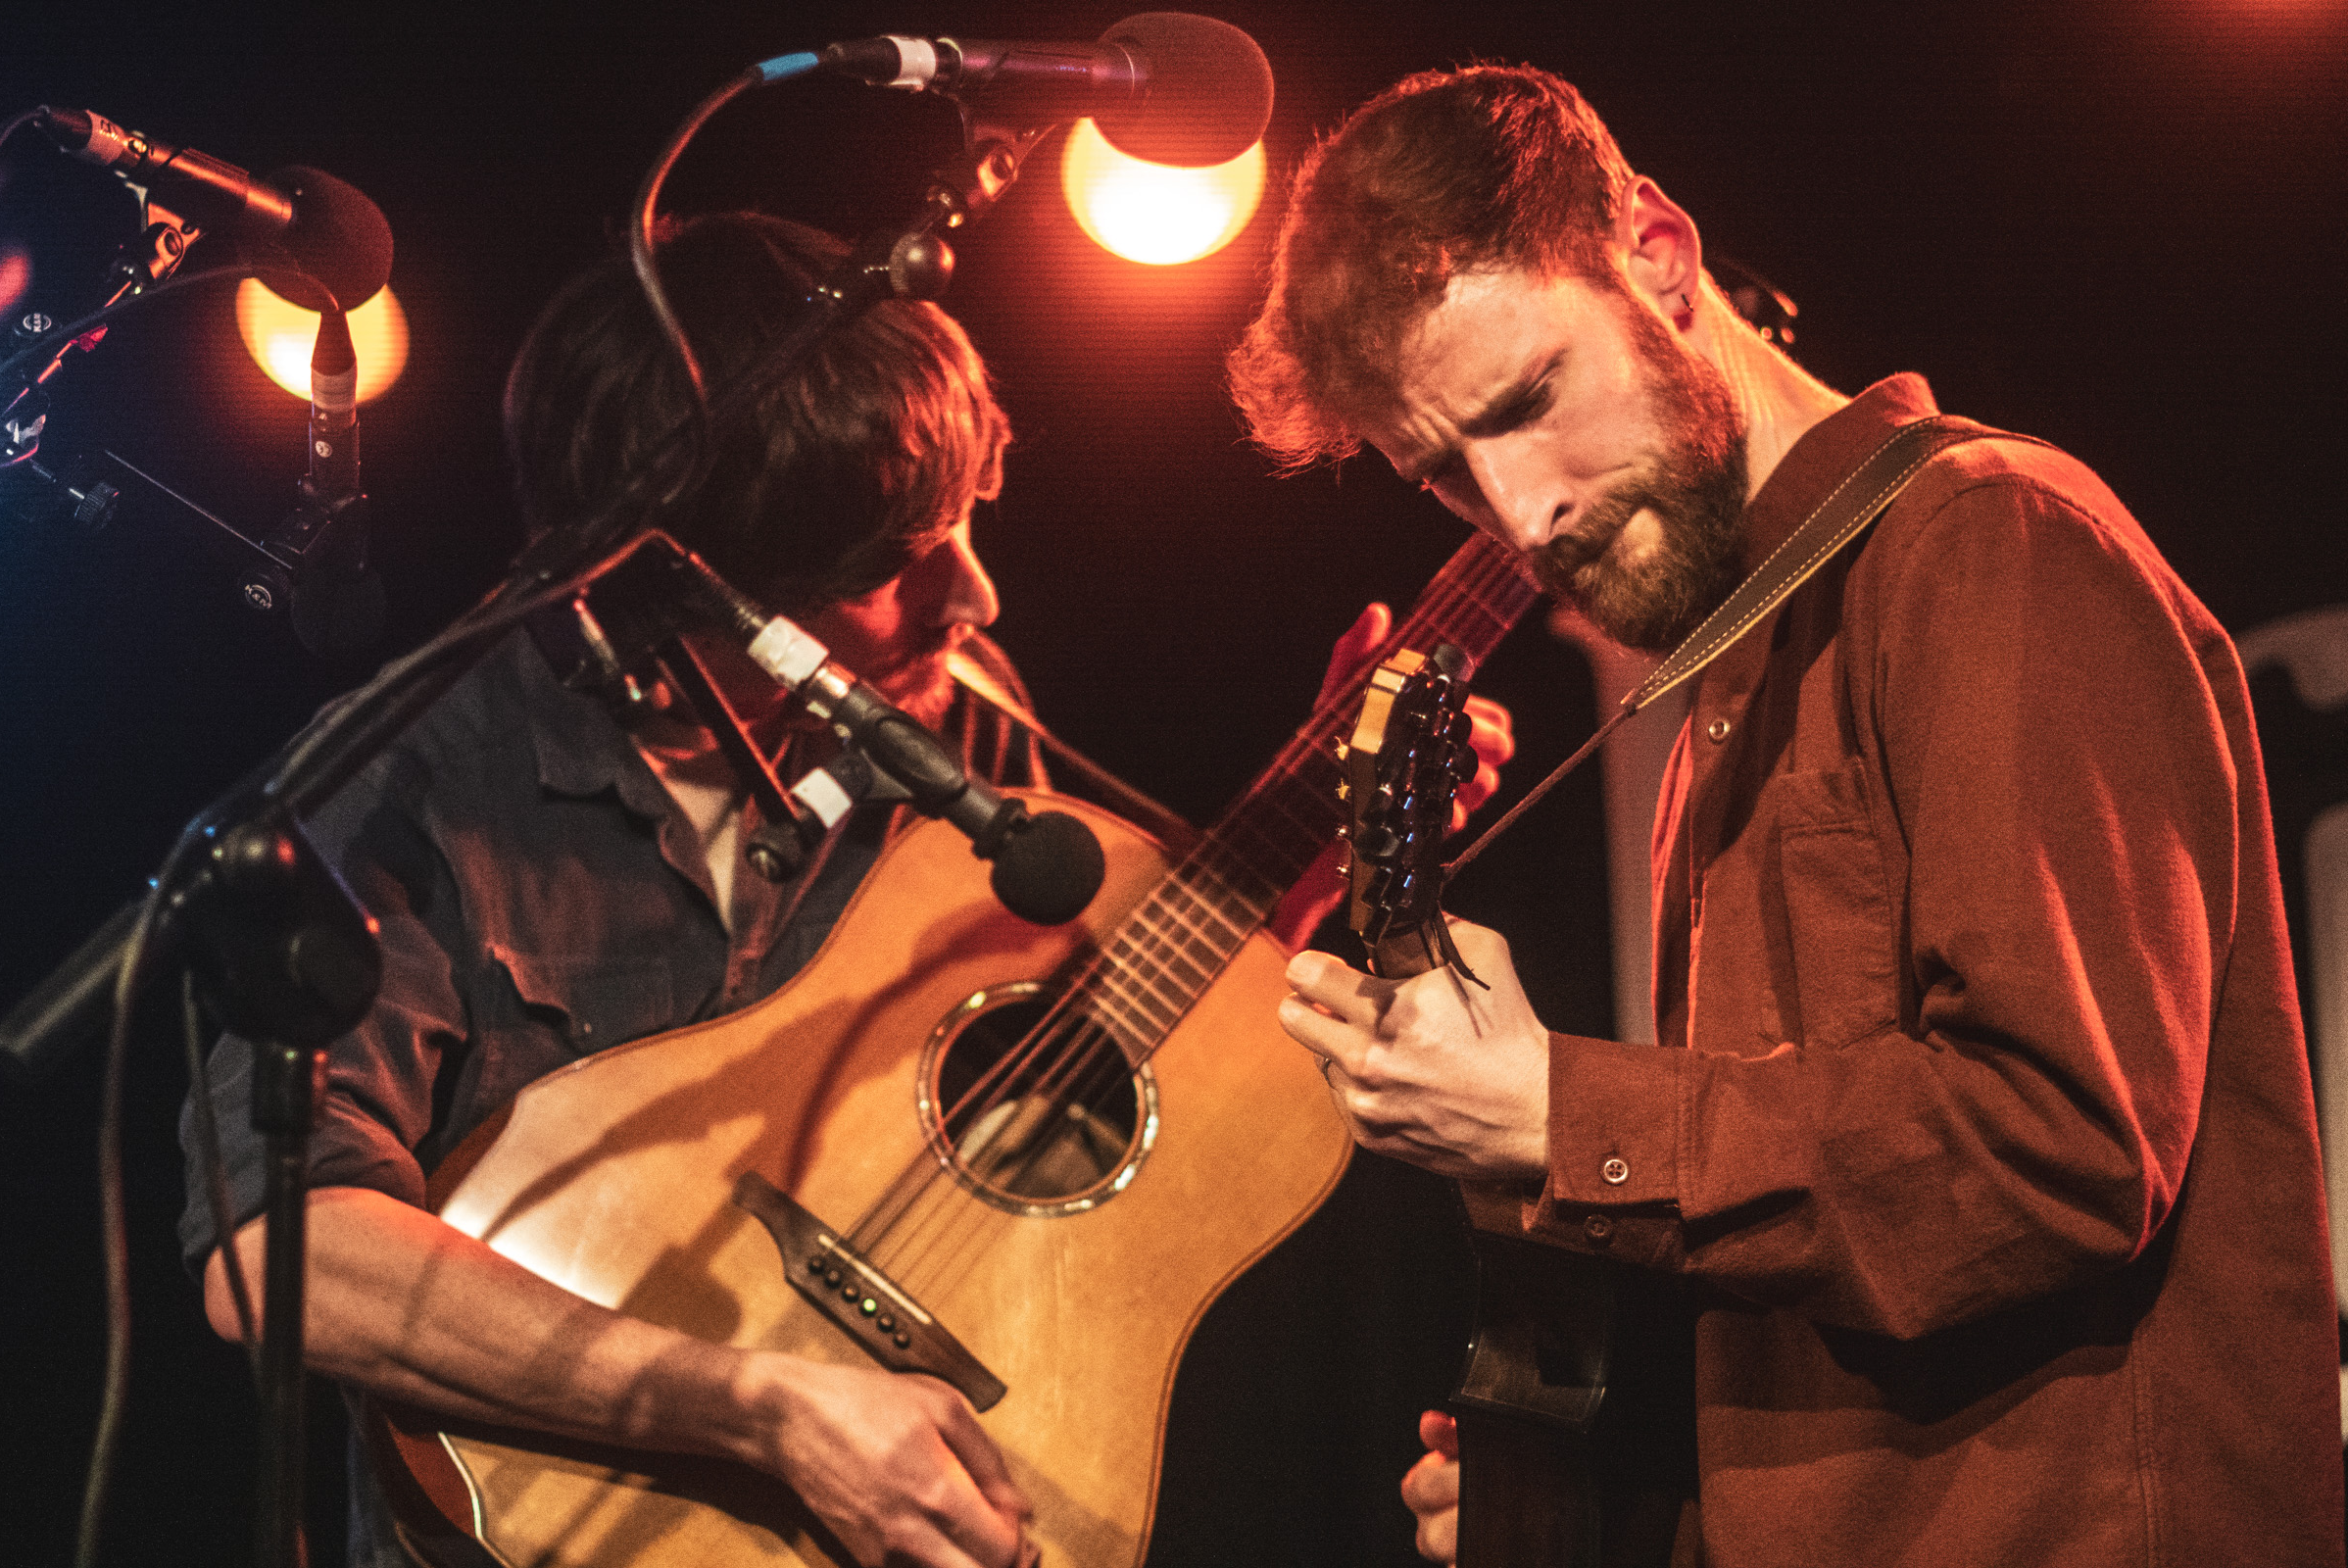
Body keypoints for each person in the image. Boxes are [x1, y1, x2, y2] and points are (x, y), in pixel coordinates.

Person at [177, 213, 1507, 1568]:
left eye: (965, 525)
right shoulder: (411, 781)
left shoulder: (947, 724)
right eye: (891, 567)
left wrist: (1312, 859)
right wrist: (759, 1409)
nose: (973, 599)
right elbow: (272, 1250)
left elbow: (1095, 1044)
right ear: (676, 586)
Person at [1235, 65, 2342, 1567]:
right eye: (1445, 472)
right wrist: (1582, 1488)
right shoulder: (1732, 684)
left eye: (1529, 400)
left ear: (1659, 258)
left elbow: (2064, 1148)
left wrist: (1566, 1114)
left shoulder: (1988, 540)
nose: (1519, 512)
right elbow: (1835, 1297)